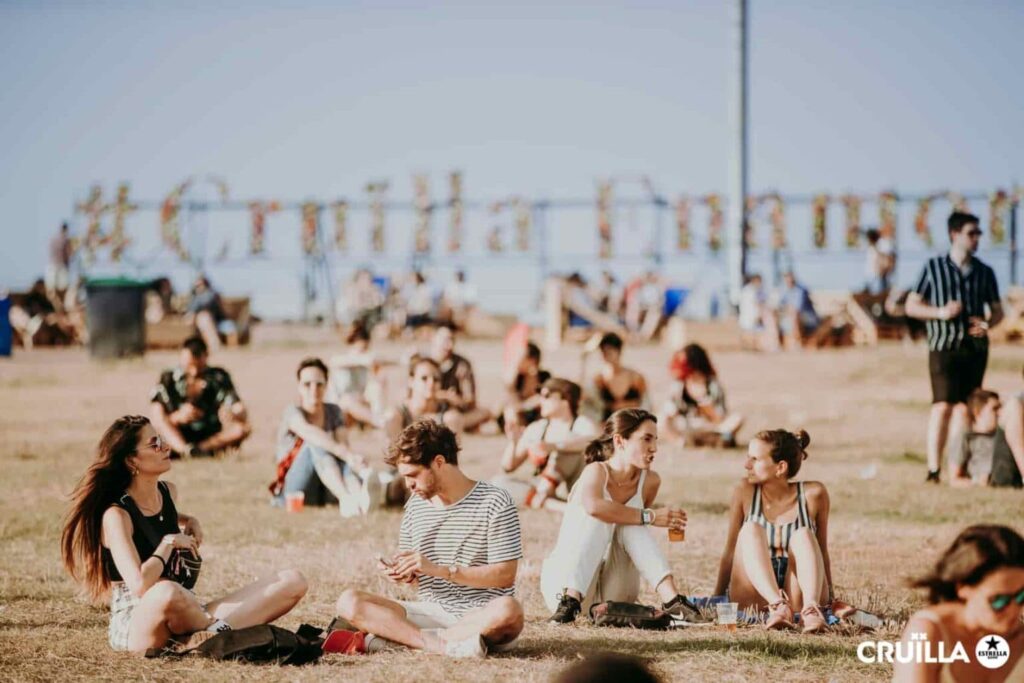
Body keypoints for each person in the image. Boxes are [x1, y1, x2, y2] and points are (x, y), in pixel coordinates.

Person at [60, 415, 307, 653]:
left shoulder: (168, 493)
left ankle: (207, 636)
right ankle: (216, 632)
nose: (165, 446)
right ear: (131, 460)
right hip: (139, 622)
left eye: (161, 438)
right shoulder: (116, 516)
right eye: (154, 443)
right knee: (166, 590)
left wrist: (190, 520)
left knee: (292, 581)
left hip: (188, 612)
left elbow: (155, 514)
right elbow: (139, 585)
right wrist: (168, 543)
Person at [331, 419, 525, 658]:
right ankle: (442, 645)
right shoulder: (415, 506)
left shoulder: (495, 501)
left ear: (439, 462)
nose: (408, 485)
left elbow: (505, 576)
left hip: (481, 616)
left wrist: (440, 569)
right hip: (429, 613)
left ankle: (402, 639)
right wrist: (404, 573)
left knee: (509, 610)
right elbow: (417, 580)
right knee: (348, 601)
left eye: (412, 475)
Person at [541, 409, 708, 625]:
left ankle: (673, 601)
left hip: (612, 591)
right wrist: (650, 516)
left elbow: (633, 524)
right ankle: (570, 601)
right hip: (565, 583)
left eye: (656, 440)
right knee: (607, 514)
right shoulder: (596, 471)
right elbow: (595, 508)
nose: (654, 448)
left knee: (632, 522)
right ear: (620, 441)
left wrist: (649, 517)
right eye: (646, 439)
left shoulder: (651, 481)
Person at [905, 211, 1003, 484]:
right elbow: (911, 305)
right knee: (942, 406)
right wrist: (940, 313)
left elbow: (998, 311)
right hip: (943, 346)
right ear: (954, 235)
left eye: (978, 234)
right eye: (971, 233)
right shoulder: (933, 268)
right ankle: (933, 469)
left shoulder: (985, 272)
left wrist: (986, 324)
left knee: (969, 407)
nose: (976, 239)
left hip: (975, 348)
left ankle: (962, 468)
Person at [713, 429, 833, 633]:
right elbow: (731, 550)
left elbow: (820, 551)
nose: (746, 465)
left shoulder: (813, 494)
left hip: (799, 590)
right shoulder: (745, 491)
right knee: (750, 529)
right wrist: (716, 598)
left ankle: (811, 610)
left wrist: (830, 597)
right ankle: (777, 605)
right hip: (754, 593)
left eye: (755, 459)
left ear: (780, 467)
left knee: (803, 534)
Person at [894, 524, 1024, 683]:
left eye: (1020, 596)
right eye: (998, 601)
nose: (1013, 610)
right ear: (963, 587)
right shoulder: (929, 632)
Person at [270, 357, 382, 516]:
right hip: (294, 490)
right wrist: (346, 453)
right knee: (315, 443)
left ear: (326, 386)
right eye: (307, 384)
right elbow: (309, 432)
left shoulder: (334, 411)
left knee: (344, 456)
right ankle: (346, 497)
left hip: (325, 485)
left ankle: (358, 496)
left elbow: (343, 445)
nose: (313, 389)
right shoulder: (292, 412)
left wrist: (353, 459)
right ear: (299, 387)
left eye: (319, 384)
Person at [496, 378, 598, 508]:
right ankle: (554, 504)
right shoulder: (537, 428)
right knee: (498, 482)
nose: (541, 401)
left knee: (567, 450)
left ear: (565, 400)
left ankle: (545, 497)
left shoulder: (582, 424)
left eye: (546, 396)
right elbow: (508, 467)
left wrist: (554, 447)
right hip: (541, 488)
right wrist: (513, 442)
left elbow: (594, 442)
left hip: (574, 487)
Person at [149, 336, 252, 458]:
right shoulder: (168, 378)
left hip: (211, 436)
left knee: (241, 429)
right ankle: (184, 450)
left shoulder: (219, 377)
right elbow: (156, 416)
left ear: (206, 356)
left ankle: (199, 450)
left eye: (198, 367)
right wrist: (177, 417)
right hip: (176, 433)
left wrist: (231, 414)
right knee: (159, 422)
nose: (193, 372)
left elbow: (239, 408)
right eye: (189, 366)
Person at [659, 343, 744, 448]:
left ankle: (714, 439)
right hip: (687, 427)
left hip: (712, 427)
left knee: (738, 418)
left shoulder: (713, 386)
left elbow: (720, 418)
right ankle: (684, 442)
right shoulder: (679, 386)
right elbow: (669, 412)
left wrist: (706, 408)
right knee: (661, 420)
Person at [946, 389, 1023, 489]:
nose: (1000, 412)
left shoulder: (1006, 434)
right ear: (977, 412)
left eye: (1001, 407)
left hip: (1013, 471)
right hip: (993, 477)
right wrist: (977, 482)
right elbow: (954, 479)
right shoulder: (968, 437)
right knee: (1014, 405)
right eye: (994, 409)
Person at [384, 356, 463, 439]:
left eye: (436, 379)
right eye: (424, 378)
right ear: (411, 381)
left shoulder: (450, 418)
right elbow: (394, 451)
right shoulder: (396, 416)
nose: (431, 383)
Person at [431, 323, 492, 431]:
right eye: (445, 340)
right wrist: (445, 396)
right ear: (434, 340)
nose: (449, 345)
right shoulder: (425, 363)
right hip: (429, 411)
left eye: (452, 340)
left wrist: (456, 400)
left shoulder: (462, 365)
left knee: (485, 413)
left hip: (456, 412)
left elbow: (469, 399)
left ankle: (453, 424)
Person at [327, 322, 388, 429]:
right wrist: (366, 360)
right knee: (348, 399)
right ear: (353, 344)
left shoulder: (365, 365)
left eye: (366, 348)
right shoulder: (340, 360)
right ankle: (378, 422)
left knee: (376, 385)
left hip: (358, 406)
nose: (364, 351)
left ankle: (378, 419)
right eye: (362, 348)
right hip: (338, 408)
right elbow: (335, 362)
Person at [496, 341, 551, 434]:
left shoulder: (544, 377)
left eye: (520, 357)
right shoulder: (516, 378)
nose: (516, 360)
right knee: (511, 411)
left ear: (532, 360)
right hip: (519, 416)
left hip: (536, 415)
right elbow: (512, 403)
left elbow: (546, 399)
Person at [591, 332, 648, 421]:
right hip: (608, 428)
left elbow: (647, 405)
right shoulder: (599, 379)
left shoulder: (635, 377)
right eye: (602, 351)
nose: (605, 354)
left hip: (633, 426)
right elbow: (591, 406)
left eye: (609, 350)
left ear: (619, 351)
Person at [184, 275, 237, 350]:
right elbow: (190, 308)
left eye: (200, 285)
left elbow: (204, 303)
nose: (198, 287)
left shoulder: (211, 294)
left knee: (204, 317)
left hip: (214, 320)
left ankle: (214, 345)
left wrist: (193, 312)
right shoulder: (194, 296)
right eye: (196, 286)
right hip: (196, 321)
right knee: (200, 317)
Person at [776, 271, 820, 349]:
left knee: (794, 315)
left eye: (790, 279)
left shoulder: (800, 290)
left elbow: (797, 308)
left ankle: (797, 341)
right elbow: (780, 305)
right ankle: (779, 343)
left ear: (794, 279)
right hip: (790, 317)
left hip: (807, 318)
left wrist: (788, 309)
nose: (788, 281)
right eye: (786, 280)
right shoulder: (784, 290)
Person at [738, 274, 778, 351]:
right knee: (754, 332)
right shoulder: (751, 291)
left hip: (748, 318)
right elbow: (756, 305)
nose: (760, 283)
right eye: (759, 281)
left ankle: (751, 346)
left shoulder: (747, 290)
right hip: (751, 317)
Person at [46, 222, 73, 305]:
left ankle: (59, 306)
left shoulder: (54, 239)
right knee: (60, 289)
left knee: (54, 290)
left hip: (54, 266)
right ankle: (59, 306)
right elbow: (68, 254)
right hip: (60, 266)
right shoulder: (66, 240)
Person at [863, 228, 896, 295]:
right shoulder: (872, 248)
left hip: (879, 277)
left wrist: (884, 271)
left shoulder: (883, 245)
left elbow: (888, 260)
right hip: (871, 278)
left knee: (879, 296)